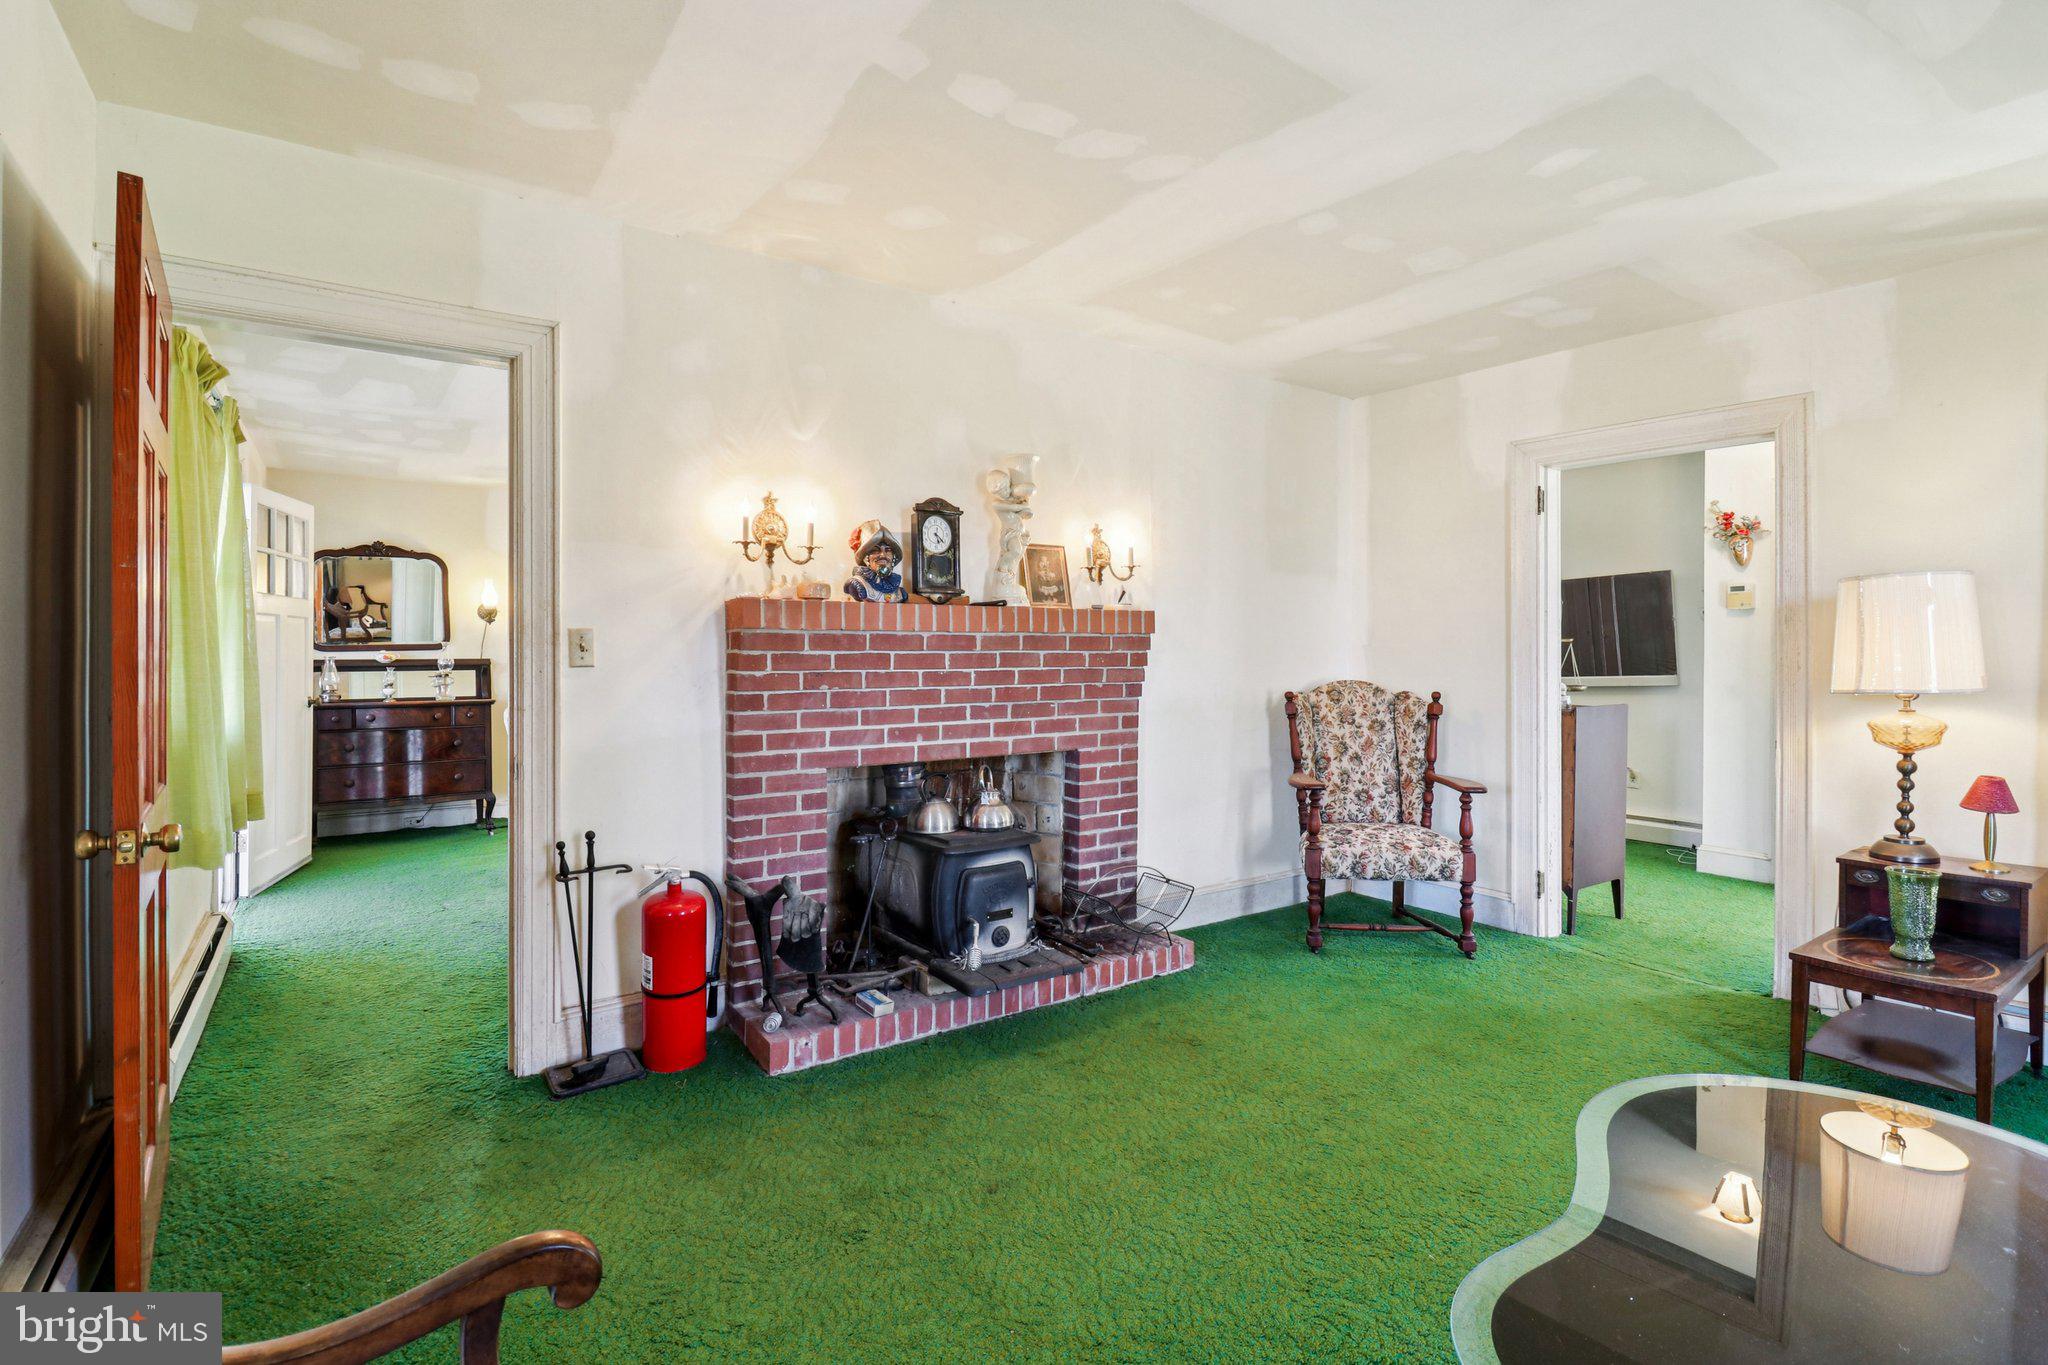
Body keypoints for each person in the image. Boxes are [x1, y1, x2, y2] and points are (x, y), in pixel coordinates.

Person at [843, 521, 907, 603]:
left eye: (888, 550)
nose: (883, 555)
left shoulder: (898, 591)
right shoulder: (858, 584)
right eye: (875, 550)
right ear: (866, 557)